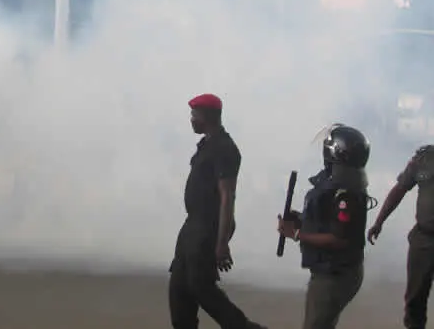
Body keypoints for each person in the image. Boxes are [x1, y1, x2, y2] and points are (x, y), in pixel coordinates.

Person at [169, 93, 266, 329]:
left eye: (195, 115)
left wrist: (222, 242)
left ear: (208, 116)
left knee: (201, 287)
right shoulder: (208, 144)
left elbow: (227, 196)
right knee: (179, 288)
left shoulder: (224, 148)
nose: (191, 119)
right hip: (191, 226)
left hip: (206, 227)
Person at [277, 124, 371, 329]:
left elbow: (338, 239)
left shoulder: (345, 193)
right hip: (334, 271)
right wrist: (301, 219)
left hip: (335, 276)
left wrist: (297, 234)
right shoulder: (342, 184)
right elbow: (327, 223)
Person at [368, 145, 434, 329]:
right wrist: (379, 221)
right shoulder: (424, 159)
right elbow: (400, 189)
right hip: (424, 239)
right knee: (415, 300)